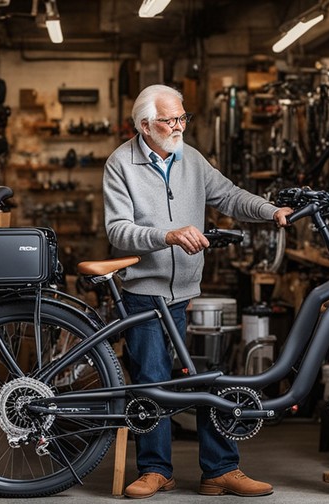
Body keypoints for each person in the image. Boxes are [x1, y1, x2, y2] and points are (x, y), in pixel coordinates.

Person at [103, 84, 292, 499]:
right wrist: (166, 235)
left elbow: (229, 196)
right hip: (144, 292)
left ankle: (220, 470)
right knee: (152, 380)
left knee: (206, 379)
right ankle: (155, 470)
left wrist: (271, 210)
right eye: (171, 120)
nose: (179, 126)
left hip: (185, 291)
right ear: (145, 125)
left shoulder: (191, 159)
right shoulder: (121, 164)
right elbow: (117, 230)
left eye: (183, 118)